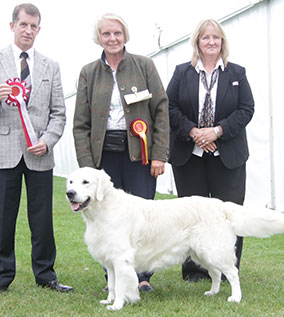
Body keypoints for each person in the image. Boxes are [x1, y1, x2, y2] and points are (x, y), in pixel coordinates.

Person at [73, 13, 169, 291]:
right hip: (103, 158)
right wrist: (87, 169)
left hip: (141, 153)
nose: (112, 39)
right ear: (99, 38)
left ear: (125, 35)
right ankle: (112, 278)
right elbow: (81, 123)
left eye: (117, 33)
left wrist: (160, 153)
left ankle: (142, 278)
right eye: (106, 34)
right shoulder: (88, 72)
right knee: (106, 218)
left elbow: (161, 111)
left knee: (143, 218)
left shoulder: (144, 65)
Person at [166, 19, 254, 282]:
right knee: (193, 216)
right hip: (189, 156)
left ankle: (229, 268)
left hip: (228, 155)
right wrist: (194, 133)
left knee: (229, 213)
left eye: (216, 38)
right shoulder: (182, 72)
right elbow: (169, 107)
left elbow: (246, 109)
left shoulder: (236, 73)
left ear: (222, 42)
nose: (211, 42)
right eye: (206, 38)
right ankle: (195, 269)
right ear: (197, 42)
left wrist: (216, 131)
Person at [0, 3, 72, 292]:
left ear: (39, 29)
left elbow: (59, 113)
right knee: (3, 218)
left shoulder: (50, 66)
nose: (28, 30)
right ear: (12, 26)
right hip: (5, 153)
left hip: (40, 154)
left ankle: (46, 275)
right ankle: (2, 276)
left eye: (34, 26)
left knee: (42, 219)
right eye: (23, 25)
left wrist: (48, 140)